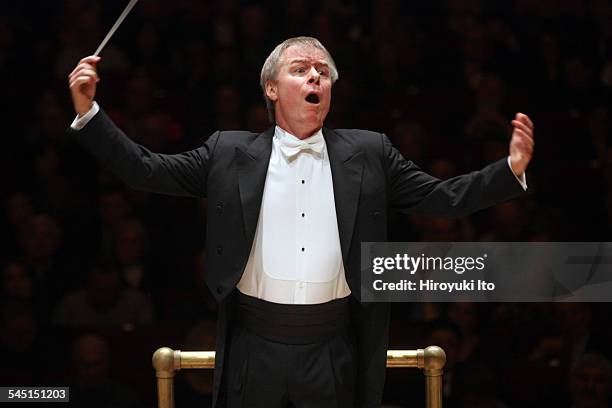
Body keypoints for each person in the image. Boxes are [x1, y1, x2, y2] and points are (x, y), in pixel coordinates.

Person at [67, 36, 534, 408]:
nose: (316, 75)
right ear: (271, 89)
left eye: (323, 71)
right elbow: (145, 169)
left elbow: (441, 198)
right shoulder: (228, 152)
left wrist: (508, 171)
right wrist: (90, 113)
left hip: (333, 343)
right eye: (301, 68)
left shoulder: (370, 152)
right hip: (253, 341)